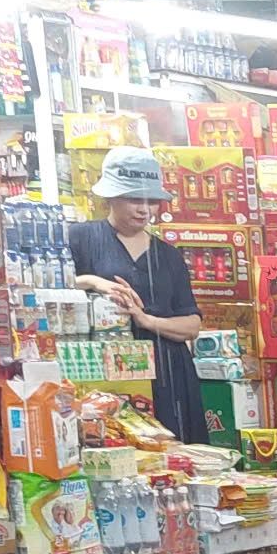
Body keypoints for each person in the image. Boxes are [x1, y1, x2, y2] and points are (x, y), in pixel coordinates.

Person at [70, 146, 206, 443]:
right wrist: (92, 281)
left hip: (168, 371)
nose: (144, 209)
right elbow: (49, 292)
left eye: (151, 201)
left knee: (173, 453)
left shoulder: (168, 256)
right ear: (109, 198)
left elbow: (192, 325)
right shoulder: (81, 238)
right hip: (102, 370)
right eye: (133, 199)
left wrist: (146, 320)